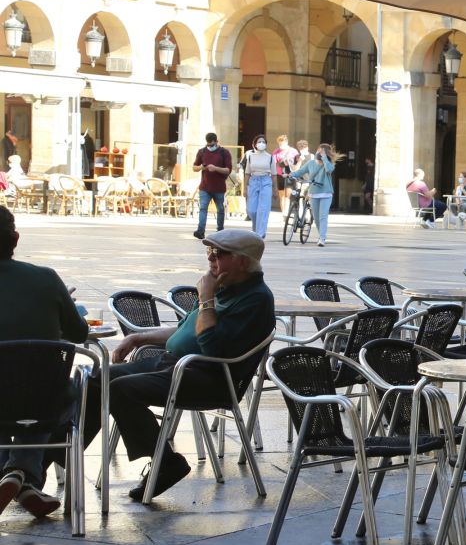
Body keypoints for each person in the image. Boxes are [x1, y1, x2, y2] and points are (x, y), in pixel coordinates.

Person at [82, 229, 275, 500]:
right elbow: (186, 331)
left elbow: (211, 346)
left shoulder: (255, 298)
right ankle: (46, 464)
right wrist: (139, 337)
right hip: (173, 364)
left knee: (120, 389)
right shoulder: (225, 286)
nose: (210, 258)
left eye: (219, 253)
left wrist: (206, 296)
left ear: (243, 261)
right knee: (97, 378)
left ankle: (166, 463)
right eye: (209, 251)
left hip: (208, 377)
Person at [0, 206, 88, 517]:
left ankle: (13, 475)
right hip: (44, 401)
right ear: (15, 239)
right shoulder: (47, 279)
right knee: (53, 389)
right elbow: (80, 332)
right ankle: (23, 477)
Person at [191, 132, 232, 240]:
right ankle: (200, 231)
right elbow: (194, 167)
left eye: (212, 145)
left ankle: (220, 230)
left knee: (220, 209)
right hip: (205, 187)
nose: (210, 147)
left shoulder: (224, 153)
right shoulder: (202, 152)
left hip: (219, 188)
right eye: (208, 145)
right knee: (203, 208)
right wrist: (201, 167)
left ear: (217, 142)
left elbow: (228, 169)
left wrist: (215, 168)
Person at [295, 142, 336, 247]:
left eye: (322, 151)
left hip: (326, 193)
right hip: (314, 193)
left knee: (323, 217)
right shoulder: (311, 163)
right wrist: (290, 175)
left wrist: (325, 159)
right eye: (319, 150)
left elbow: (329, 170)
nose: (319, 152)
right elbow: (301, 171)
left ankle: (322, 238)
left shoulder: (328, 164)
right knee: (316, 218)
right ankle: (321, 235)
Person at [242, 135, 273, 238]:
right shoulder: (250, 156)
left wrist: (276, 189)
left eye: (263, 142)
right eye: (259, 142)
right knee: (251, 210)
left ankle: (260, 233)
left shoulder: (270, 157)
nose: (261, 143)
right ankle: (256, 228)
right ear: (255, 144)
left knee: (263, 209)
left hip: (266, 181)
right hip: (254, 181)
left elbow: (274, 174)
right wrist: (245, 188)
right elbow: (247, 173)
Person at [272, 134, 300, 210]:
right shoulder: (276, 151)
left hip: (290, 175)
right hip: (280, 175)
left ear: (286, 142)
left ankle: (287, 212)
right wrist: (282, 164)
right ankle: (284, 214)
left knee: (288, 195)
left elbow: (298, 162)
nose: (281, 145)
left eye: (282, 143)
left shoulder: (293, 151)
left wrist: (292, 165)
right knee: (282, 196)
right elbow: (273, 163)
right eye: (279, 143)